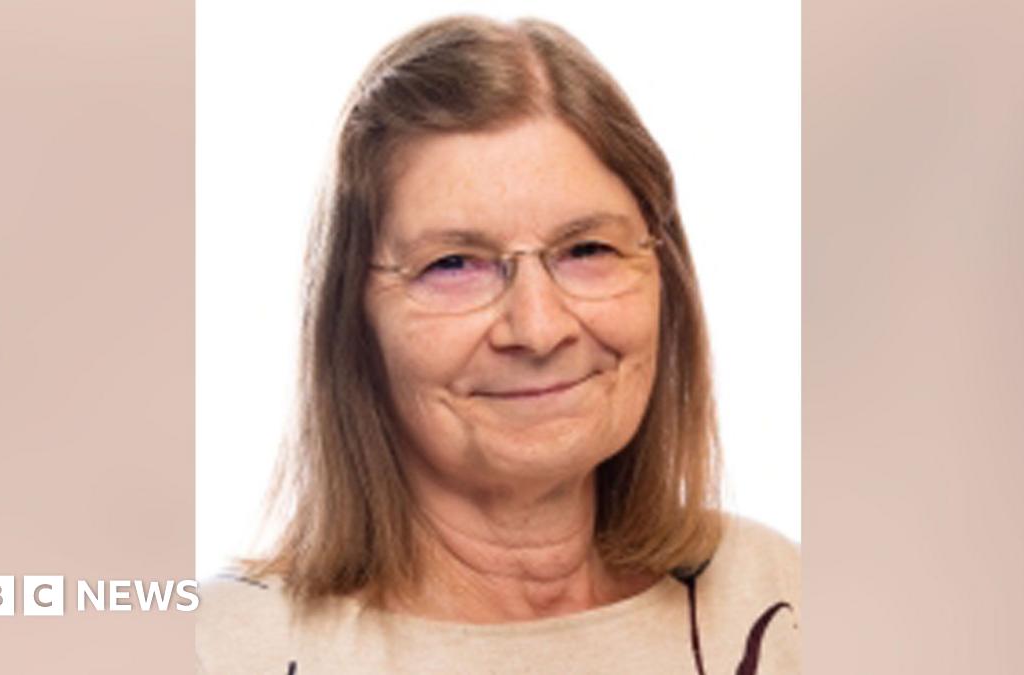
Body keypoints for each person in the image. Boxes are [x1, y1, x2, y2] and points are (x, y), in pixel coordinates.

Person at [197, 15, 799, 674]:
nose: (539, 328)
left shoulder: (781, 597)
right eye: (454, 263)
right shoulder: (222, 649)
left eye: (587, 249)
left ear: (665, 275)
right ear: (352, 318)